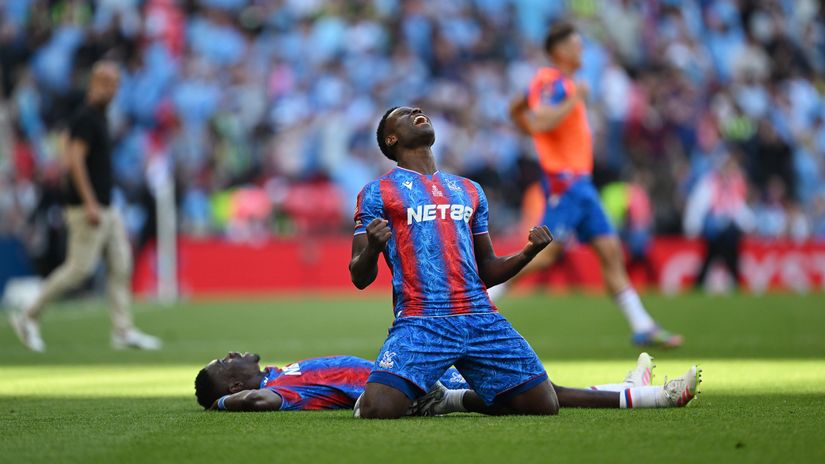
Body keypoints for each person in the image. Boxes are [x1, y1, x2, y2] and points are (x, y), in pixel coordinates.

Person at [347, 106, 698, 419]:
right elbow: (359, 276)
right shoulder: (377, 192)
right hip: (422, 320)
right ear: (391, 139)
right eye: (406, 114)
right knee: (378, 409)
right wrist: (374, 248)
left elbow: (488, 270)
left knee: (542, 404)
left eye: (418, 109)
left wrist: (529, 252)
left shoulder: (469, 189)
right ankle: (652, 395)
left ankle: (446, 398)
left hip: (480, 317)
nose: (417, 111)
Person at [505, 21, 682, 347]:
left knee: (610, 252)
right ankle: (483, 295)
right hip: (566, 182)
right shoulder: (554, 81)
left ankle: (642, 325)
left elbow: (525, 117)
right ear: (559, 51)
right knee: (545, 255)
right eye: (576, 45)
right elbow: (542, 121)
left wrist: (521, 110)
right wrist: (574, 100)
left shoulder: (560, 84)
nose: (581, 50)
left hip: (581, 184)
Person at [9, 61, 161, 352]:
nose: (114, 90)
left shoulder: (99, 116)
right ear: (96, 83)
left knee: (121, 263)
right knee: (79, 269)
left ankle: (123, 330)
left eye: (116, 84)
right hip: (88, 207)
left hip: (107, 205)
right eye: (109, 84)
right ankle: (28, 315)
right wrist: (90, 202)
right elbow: (73, 161)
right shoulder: (86, 117)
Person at [195, 351, 700, 413]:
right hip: (414, 390)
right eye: (224, 361)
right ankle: (649, 397)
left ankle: (623, 387)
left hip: (412, 372)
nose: (233, 353)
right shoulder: (280, 391)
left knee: (523, 380)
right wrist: (224, 404)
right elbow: (258, 402)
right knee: (516, 392)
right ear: (231, 383)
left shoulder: (283, 371)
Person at [684, 154, 753, 289]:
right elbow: (698, 205)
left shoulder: (732, 184)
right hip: (713, 227)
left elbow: (738, 207)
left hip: (726, 228)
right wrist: (692, 226)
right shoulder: (709, 182)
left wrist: (749, 223)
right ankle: (735, 279)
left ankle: (701, 282)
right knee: (725, 249)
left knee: (715, 253)